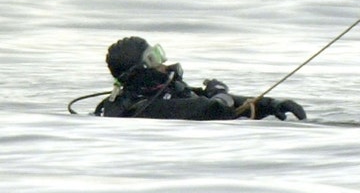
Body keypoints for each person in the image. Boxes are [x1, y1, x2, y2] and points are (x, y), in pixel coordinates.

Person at [93, 36, 306, 121]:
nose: (162, 62)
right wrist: (220, 92)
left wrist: (271, 104)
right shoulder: (144, 107)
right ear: (139, 71)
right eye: (153, 58)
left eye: (157, 53)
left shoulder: (167, 91)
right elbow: (212, 109)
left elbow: (204, 99)